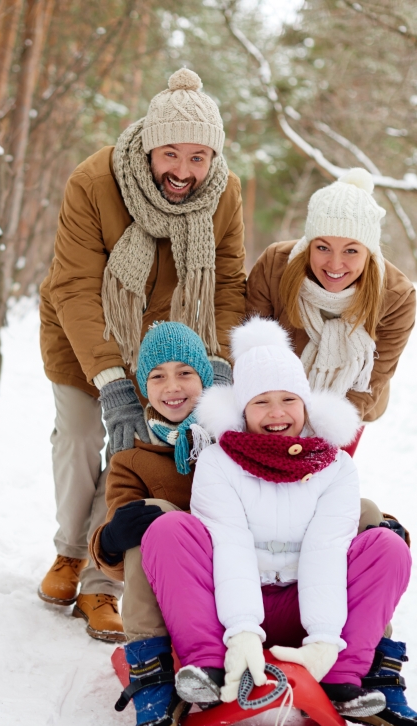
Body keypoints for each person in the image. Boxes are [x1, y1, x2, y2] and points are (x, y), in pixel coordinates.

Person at [131, 318, 417, 726]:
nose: (276, 414)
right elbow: (230, 544)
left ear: (306, 405)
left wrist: (324, 639)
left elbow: (326, 551)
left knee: (386, 545)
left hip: (306, 605)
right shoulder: (219, 463)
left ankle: (344, 676)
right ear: (242, 409)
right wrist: (241, 631)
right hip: (227, 610)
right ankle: (207, 667)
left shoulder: (335, 467)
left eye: (288, 400)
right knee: (168, 528)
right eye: (261, 402)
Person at [37, 67, 247, 642]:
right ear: (150, 143)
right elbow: (75, 285)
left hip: (173, 348)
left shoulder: (224, 193)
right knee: (85, 435)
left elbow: (227, 283)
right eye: (172, 154)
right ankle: (69, 551)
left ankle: (102, 584)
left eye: (199, 157)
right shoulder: (95, 181)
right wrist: (111, 380)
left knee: (138, 452)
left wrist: (220, 365)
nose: (183, 171)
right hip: (89, 332)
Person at [245, 168, 416, 455]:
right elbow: (252, 352)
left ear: (369, 252)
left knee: (322, 480)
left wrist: (323, 433)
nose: (335, 265)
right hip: (273, 401)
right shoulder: (276, 265)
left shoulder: (396, 297)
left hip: (350, 401)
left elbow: (373, 378)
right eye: (323, 247)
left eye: (351, 251)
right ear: (309, 243)